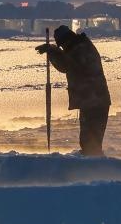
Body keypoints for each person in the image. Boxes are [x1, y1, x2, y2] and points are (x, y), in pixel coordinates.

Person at [37, 25, 112, 156]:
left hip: (94, 101)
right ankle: (93, 166)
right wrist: (54, 51)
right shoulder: (79, 46)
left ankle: (95, 168)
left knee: (91, 141)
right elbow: (67, 62)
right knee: (88, 140)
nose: (63, 49)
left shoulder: (81, 49)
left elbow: (67, 65)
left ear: (66, 40)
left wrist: (53, 51)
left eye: (62, 46)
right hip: (92, 100)